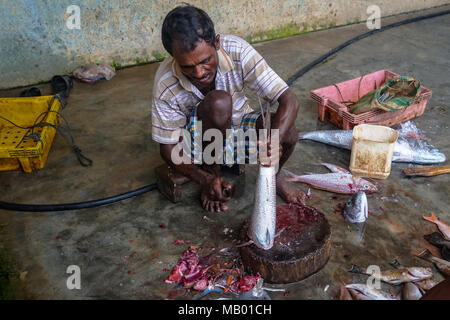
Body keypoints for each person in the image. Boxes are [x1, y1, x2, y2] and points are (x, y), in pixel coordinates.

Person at [152, 5, 306, 212]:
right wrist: (204, 179)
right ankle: (212, 175)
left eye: (205, 61)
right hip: (195, 143)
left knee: (289, 133)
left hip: (237, 125)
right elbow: (167, 148)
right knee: (219, 102)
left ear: (216, 43)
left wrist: (272, 142)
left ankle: (274, 178)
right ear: (173, 57)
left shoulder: (237, 50)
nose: (198, 73)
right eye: (187, 67)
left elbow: (289, 99)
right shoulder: (165, 83)